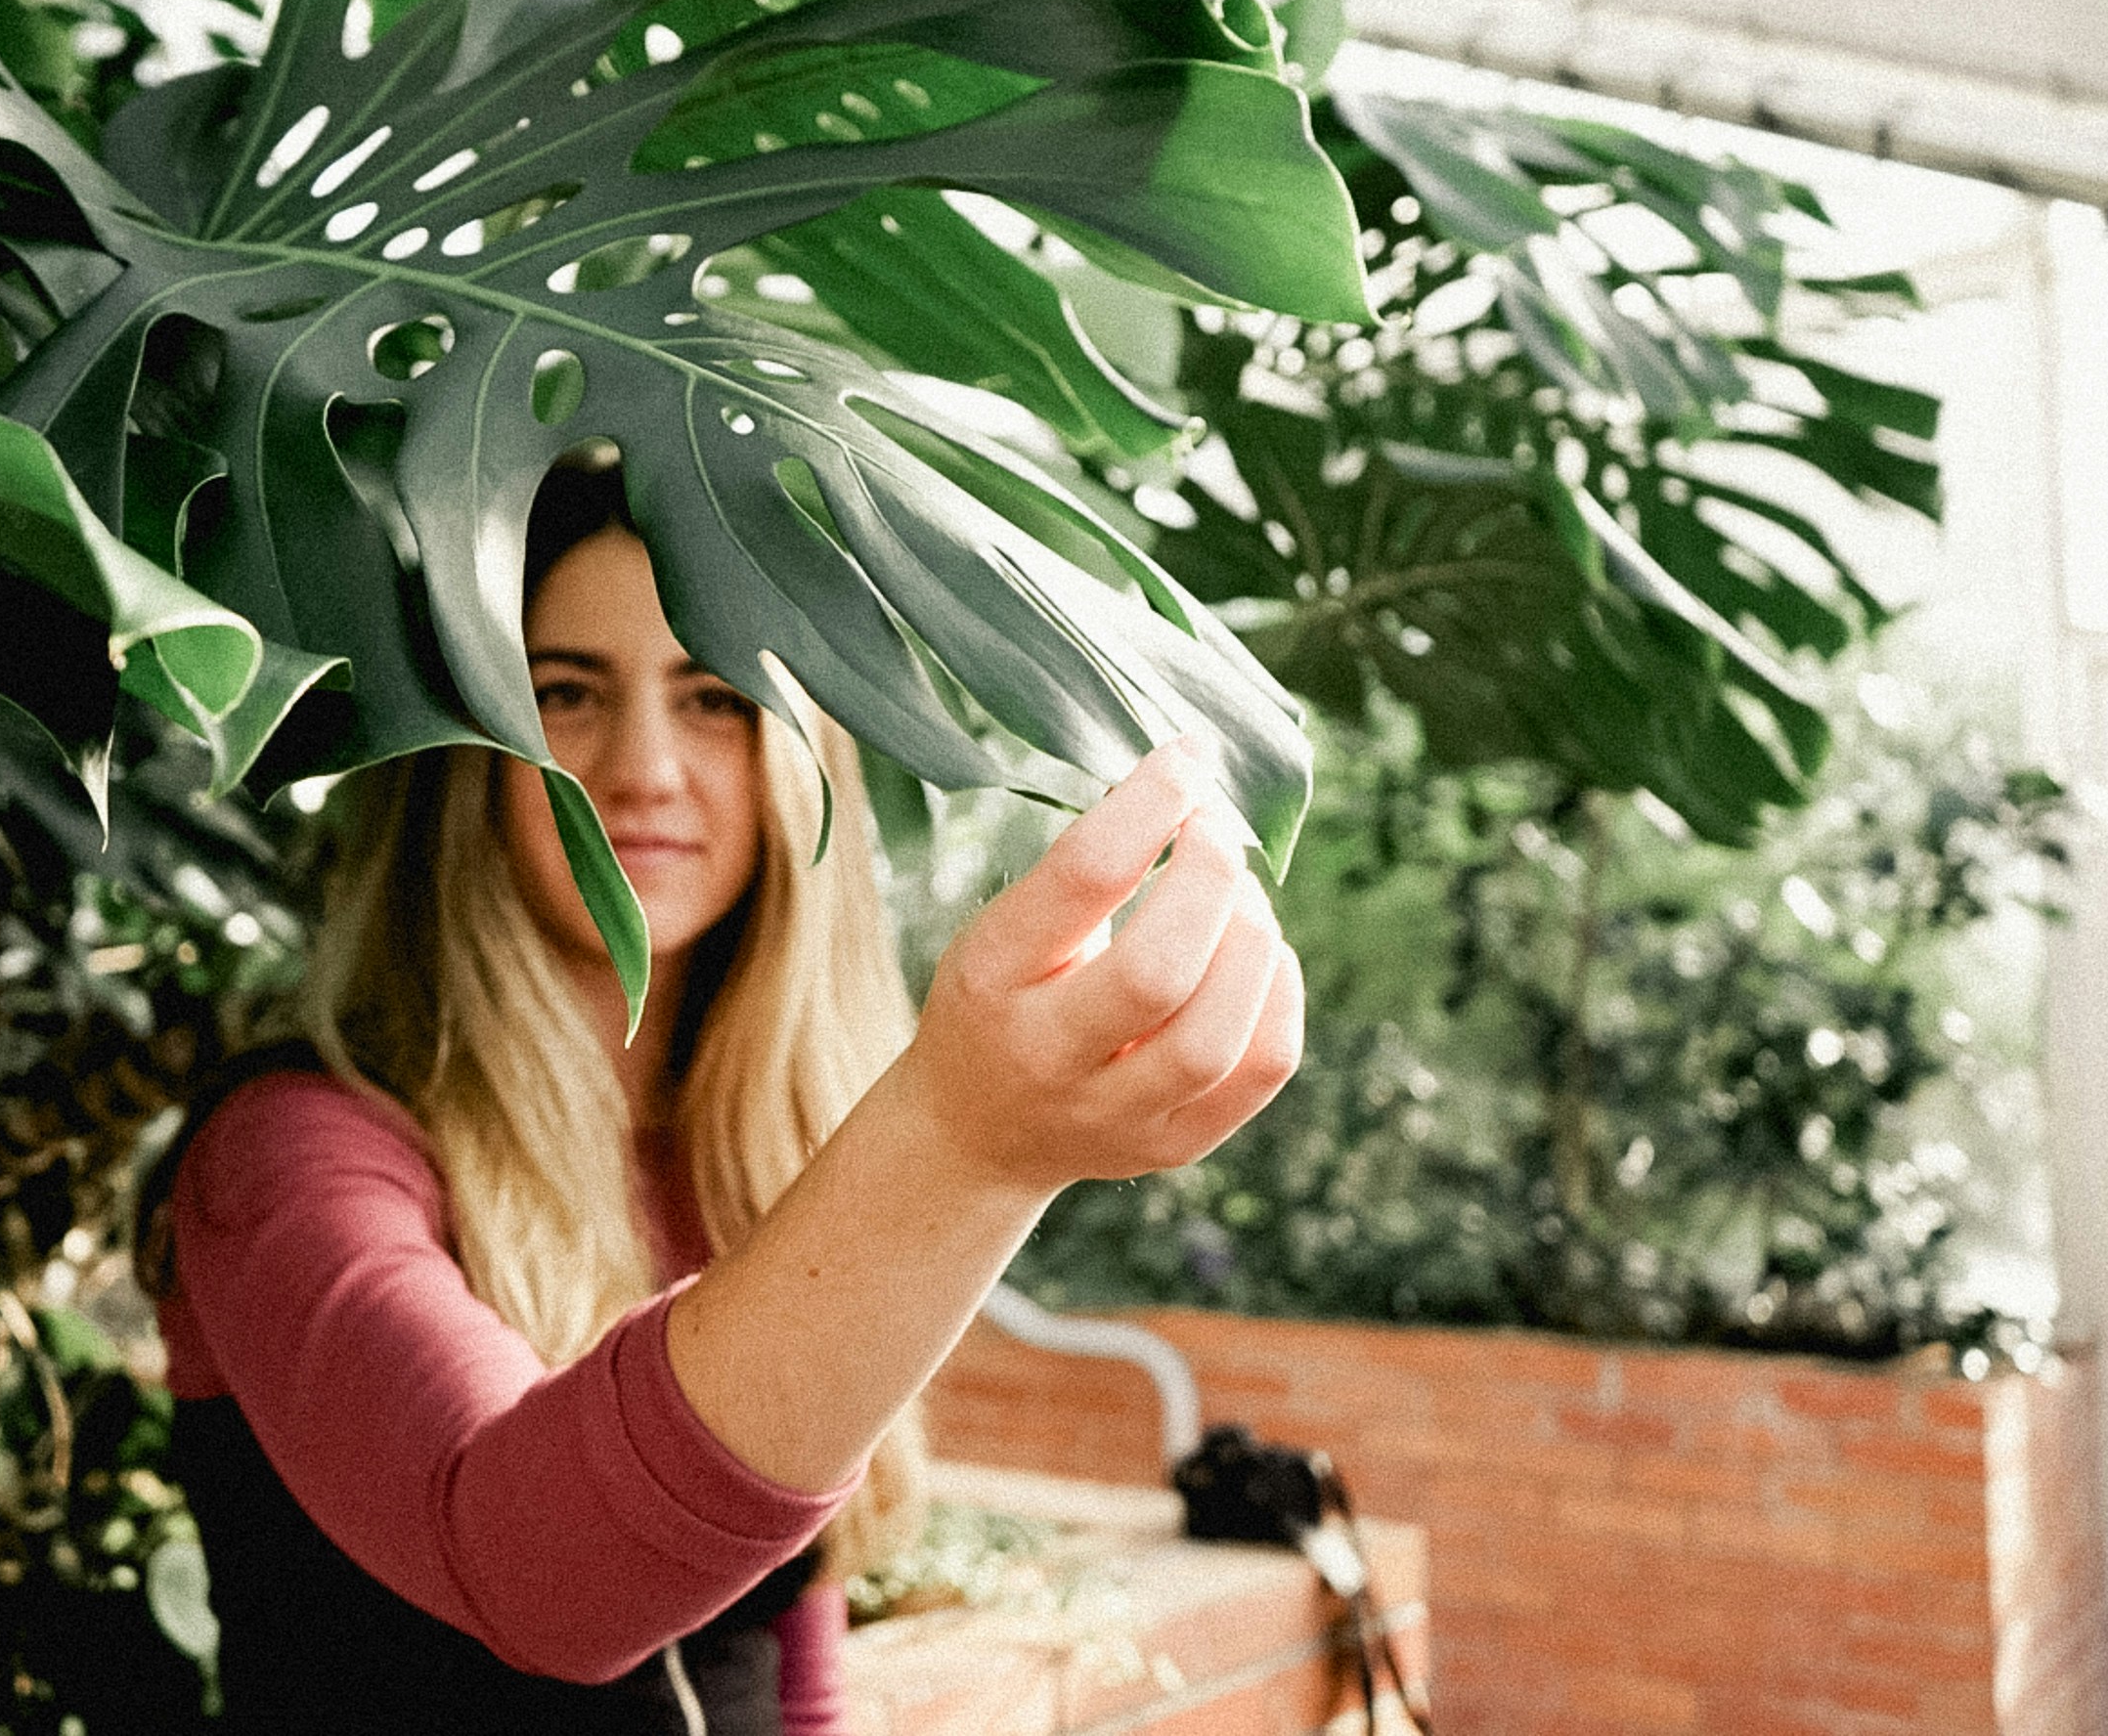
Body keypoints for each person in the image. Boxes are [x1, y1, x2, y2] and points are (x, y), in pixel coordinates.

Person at [145, 459, 1302, 1733]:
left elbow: (795, 1678)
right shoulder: (286, 1154)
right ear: (462, 754)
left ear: (801, 761)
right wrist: (967, 1144)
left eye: (713, 697)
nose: (644, 766)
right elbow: (539, 1574)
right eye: (566, 692)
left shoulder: (756, 1156)